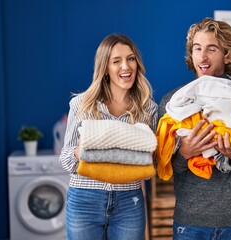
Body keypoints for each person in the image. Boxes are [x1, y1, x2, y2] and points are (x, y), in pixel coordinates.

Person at [157, 18, 231, 240]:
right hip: (190, 221)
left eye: (212, 48)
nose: (202, 56)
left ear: (227, 55)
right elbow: (161, 165)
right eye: (197, 49)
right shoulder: (174, 102)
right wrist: (184, 154)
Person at [59, 34, 158, 240]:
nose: (126, 66)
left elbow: (149, 168)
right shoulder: (81, 104)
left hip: (129, 203)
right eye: (116, 61)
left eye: (131, 59)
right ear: (105, 68)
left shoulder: (148, 109)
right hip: (84, 202)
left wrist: (148, 155)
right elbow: (66, 161)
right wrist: (81, 150)